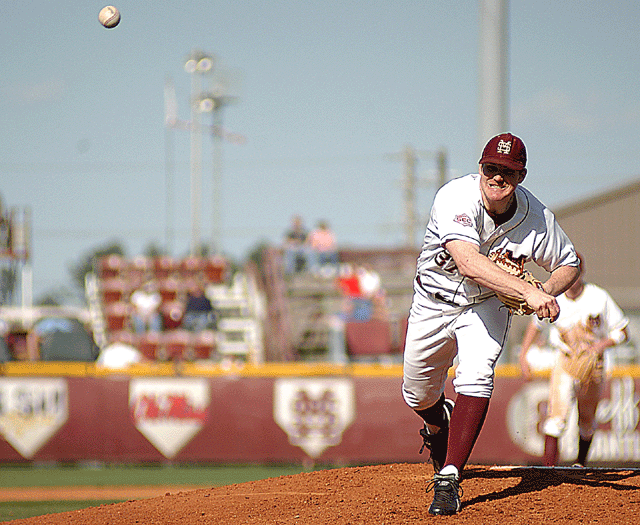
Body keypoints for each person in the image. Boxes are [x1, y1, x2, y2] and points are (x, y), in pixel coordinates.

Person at [402, 132, 580, 516]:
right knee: (416, 394)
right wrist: (527, 291)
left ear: (521, 176)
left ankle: (449, 478)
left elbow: (570, 262)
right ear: (480, 167)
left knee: (477, 374)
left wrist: (547, 288)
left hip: (485, 306)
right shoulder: (455, 196)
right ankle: (441, 420)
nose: (497, 177)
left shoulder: (537, 218)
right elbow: (467, 261)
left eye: (508, 171)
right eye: (491, 168)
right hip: (432, 302)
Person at [519, 254, 629, 467]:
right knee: (556, 418)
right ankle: (548, 469)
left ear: (580, 273)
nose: (571, 279)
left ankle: (580, 464)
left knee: (587, 419)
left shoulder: (598, 297)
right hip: (566, 361)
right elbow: (536, 325)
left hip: (592, 364)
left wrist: (600, 345)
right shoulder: (555, 297)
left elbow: (623, 331)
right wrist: (524, 355)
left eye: (574, 272)